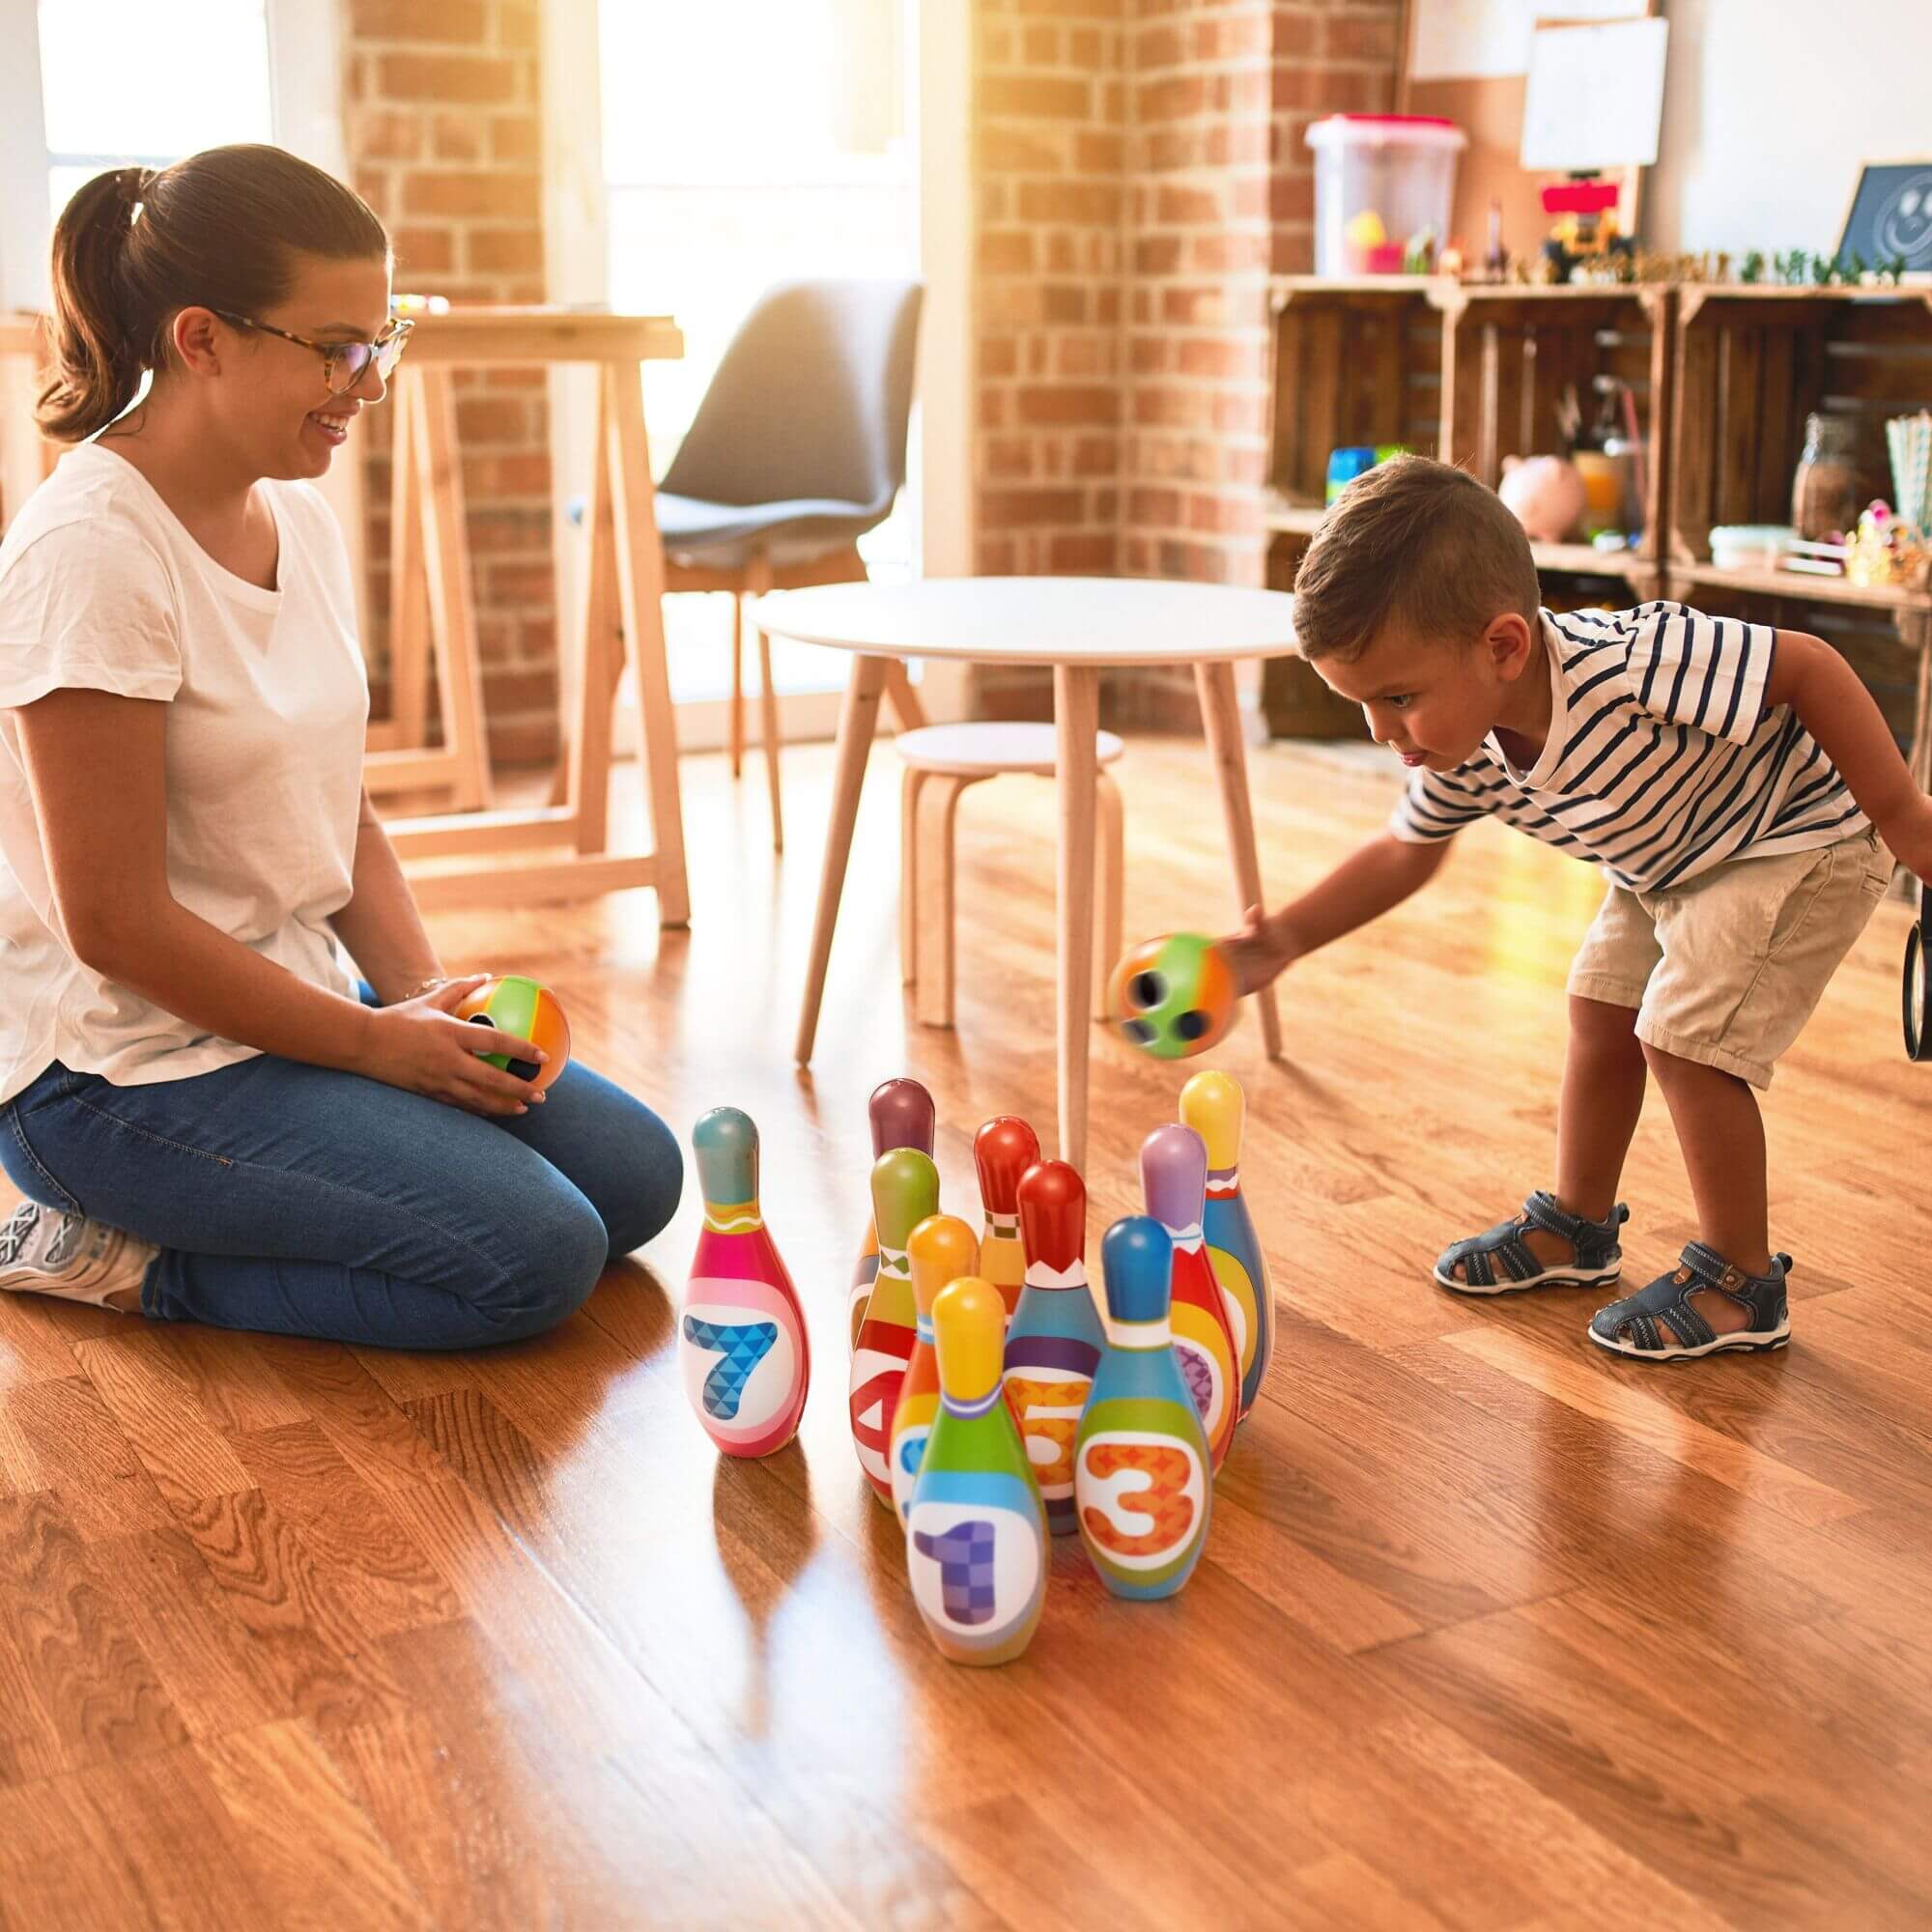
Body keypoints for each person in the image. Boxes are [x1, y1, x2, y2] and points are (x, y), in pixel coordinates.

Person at [0, 145, 681, 1348]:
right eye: (336, 347)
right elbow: (112, 922)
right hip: (115, 1074)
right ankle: (106, 1253)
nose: (368, 382)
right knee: (535, 1256)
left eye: (383, 337)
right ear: (200, 338)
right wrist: (377, 1045)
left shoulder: (296, 516)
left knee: (636, 1177)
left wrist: (424, 1005)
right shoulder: (90, 549)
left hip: (286, 1002)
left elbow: (339, 806)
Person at [1223, 456, 1932, 1362]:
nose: (1380, 733)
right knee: (1601, 1005)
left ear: (1505, 647)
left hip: (1799, 833)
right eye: (1362, 704)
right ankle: (1578, 1227)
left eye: (1396, 698)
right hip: (1675, 857)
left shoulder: (1631, 668)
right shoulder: (1462, 741)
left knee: (1684, 1039)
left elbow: (1807, 665)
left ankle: (1741, 1281)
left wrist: (1905, 815)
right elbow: (1406, 851)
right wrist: (1280, 938)